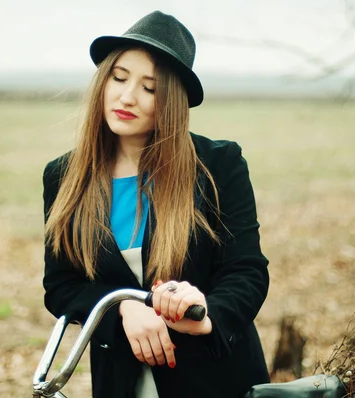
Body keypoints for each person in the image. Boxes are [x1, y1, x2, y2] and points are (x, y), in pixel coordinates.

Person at [42, 10, 270, 398]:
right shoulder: (63, 176)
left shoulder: (218, 165)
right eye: (119, 78)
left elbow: (247, 271)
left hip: (213, 378)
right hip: (120, 380)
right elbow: (62, 285)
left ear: (172, 101)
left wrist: (207, 314)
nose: (127, 97)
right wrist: (121, 309)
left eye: (149, 88)